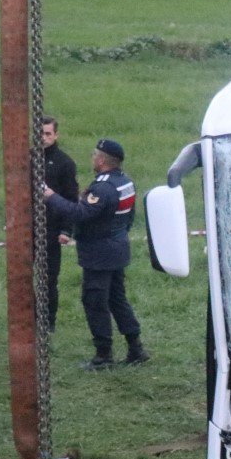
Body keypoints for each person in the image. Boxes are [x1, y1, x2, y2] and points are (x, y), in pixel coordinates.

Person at [44, 138, 147, 370]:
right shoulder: (125, 182)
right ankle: (135, 346)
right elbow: (128, 216)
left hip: (99, 254)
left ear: (101, 160)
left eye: (94, 155)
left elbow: (79, 214)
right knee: (117, 299)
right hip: (118, 247)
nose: (92, 159)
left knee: (95, 301)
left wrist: (51, 196)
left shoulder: (102, 188)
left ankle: (103, 355)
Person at [39, 115, 81, 332]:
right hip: (28, 228)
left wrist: (67, 229)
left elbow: (71, 198)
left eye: (48, 134)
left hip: (52, 228)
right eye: (40, 133)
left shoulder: (65, 163)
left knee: (49, 278)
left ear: (56, 135)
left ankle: (48, 322)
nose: (44, 138)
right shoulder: (27, 158)